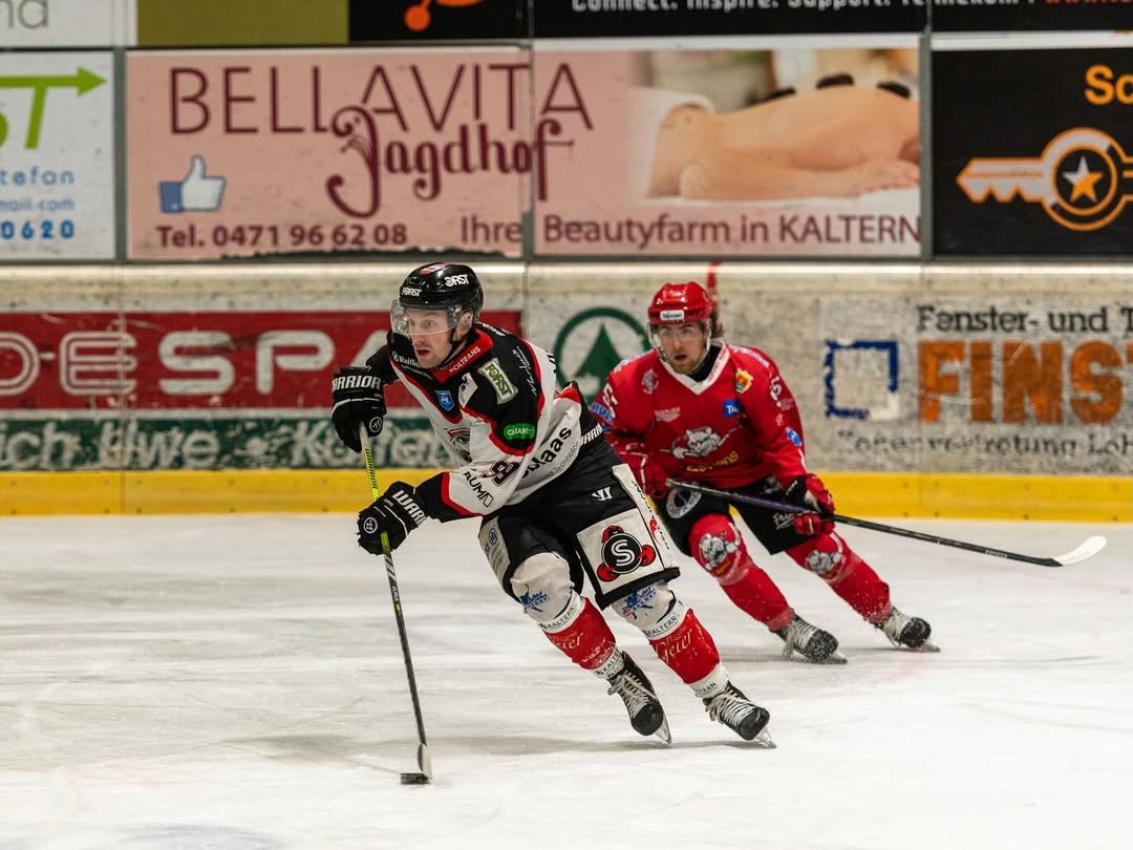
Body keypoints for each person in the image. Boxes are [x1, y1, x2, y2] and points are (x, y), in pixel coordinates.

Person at [330, 262, 773, 744]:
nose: (417, 333)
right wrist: (364, 386)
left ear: (463, 322)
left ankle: (719, 694)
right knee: (542, 592)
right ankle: (620, 675)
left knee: (643, 599)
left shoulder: (504, 378)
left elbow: (495, 480)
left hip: (578, 471)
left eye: (430, 322)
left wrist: (413, 505)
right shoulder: (414, 347)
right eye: (411, 319)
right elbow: (390, 360)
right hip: (515, 499)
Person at [592, 281, 933, 663]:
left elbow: (780, 437)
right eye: (666, 332)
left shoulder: (749, 370)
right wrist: (639, 464)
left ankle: (886, 615)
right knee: (717, 548)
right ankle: (789, 627)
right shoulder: (631, 380)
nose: (676, 344)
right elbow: (602, 435)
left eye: (686, 330)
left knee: (819, 548)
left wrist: (800, 485)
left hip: (753, 474)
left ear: (708, 328)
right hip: (684, 484)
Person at [636, 75, 920, 202]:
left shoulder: (892, 115)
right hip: (644, 141)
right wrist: (849, 182)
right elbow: (702, 178)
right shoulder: (878, 136)